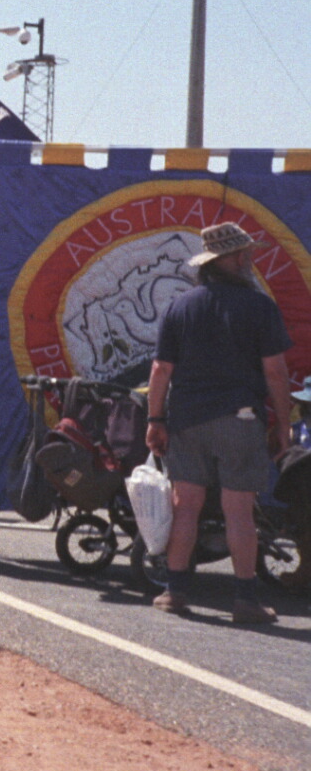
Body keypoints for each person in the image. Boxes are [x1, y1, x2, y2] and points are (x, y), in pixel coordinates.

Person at [146, 223, 292, 624]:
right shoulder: (259, 307)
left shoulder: (181, 306)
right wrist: (283, 423)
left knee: (185, 506)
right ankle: (245, 599)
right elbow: (276, 372)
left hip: (187, 420)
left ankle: (174, 591)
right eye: (248, 255)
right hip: (238, 419)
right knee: (238, 511)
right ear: (239, 258)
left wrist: (155, 419)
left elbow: (160, 369)